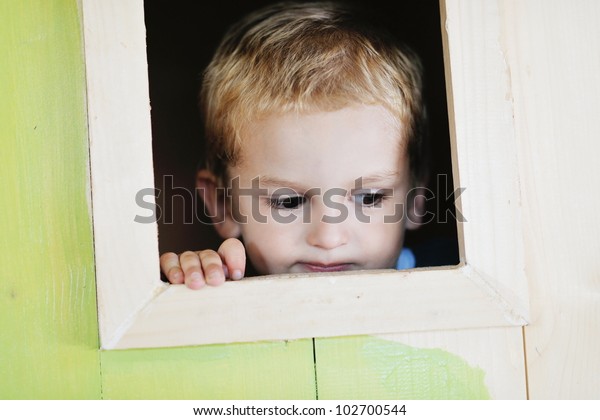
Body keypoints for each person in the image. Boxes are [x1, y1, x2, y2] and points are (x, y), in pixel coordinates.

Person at [160, 1, 430, 289]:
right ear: (223, 204)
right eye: (288, 202)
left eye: (369, 198)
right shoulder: (224, 288)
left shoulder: (466, 275)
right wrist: (201, 286)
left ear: (415, 196)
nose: (329, 238)